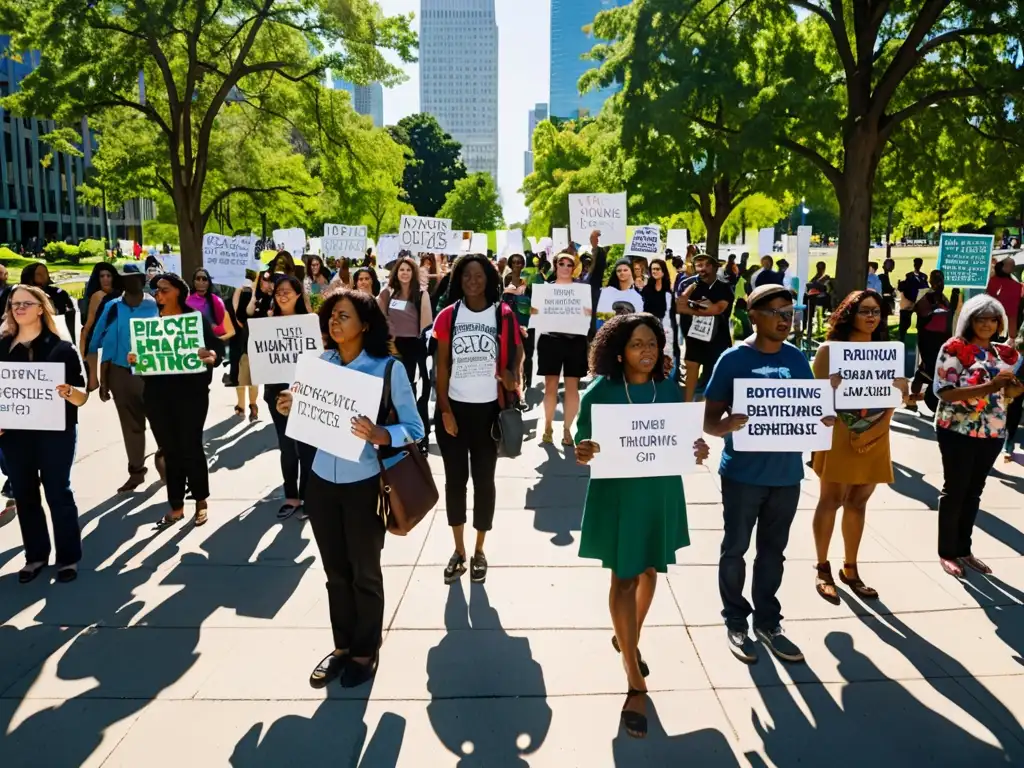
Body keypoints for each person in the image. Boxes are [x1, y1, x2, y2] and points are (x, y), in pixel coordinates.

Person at [277, 289, 424, 689]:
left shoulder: (387, 369)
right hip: (321, 481)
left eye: (343, 315)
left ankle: (365, 651)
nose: (334, 322)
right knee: (334, 572)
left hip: (364, 485)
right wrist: (290, 402)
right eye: (330, 316)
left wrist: (381, 433)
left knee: (364, 573)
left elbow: (414, 429)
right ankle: (341, 647)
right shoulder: (317, 365)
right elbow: (301, 407)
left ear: (364, 324)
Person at [574, 313, 708, 739]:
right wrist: (585, 449)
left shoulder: (666, 387)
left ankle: (627, 636)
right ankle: (634, 677)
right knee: (625, 577)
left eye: (652, 343)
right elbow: (582, 441)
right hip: (620, 498)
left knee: (650, 570)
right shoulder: (601, 391)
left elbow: (682, 437)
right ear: (620, 351)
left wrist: (696, 447)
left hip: (659, 493)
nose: (647, 351)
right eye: (637, 344)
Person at [704, 284, 835, 665]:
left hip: (786, 476)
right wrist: (727, 424)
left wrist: (821, 418)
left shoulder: (797, 359)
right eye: (775, 312)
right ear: (753, 316)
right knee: (736, 549)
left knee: (773, 554)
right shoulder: (732, 359)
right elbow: (710, 421)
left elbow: (808, 409)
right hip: (743, 475)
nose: (784, 319)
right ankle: (735, 621)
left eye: (789, 311)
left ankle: (768, 622)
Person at [810, 290, 907, 604]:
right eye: (864, 310)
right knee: (831, 498)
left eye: (876, 312)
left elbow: (893, 398)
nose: (871, 317)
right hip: (839, 431)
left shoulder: (886, 351)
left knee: (859, 501)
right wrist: (830, 387)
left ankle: (850, 569)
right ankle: (822, 567)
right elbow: (814, 398)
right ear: (848, 313)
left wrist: (900, 392)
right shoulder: (830, 350)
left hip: (878, 432)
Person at [433, 254, 523, 585]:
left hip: (489, 413)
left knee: (484, 483)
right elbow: (441, 367)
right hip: (454, 411)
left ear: (489, 278)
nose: (473, 281)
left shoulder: (503, 314)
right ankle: (458, 550)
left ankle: (479, 550)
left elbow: (517, 350)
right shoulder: (447, 316)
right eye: (467, 275)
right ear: (459, 279)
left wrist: (513, 373)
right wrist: (444, 410)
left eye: (479, 275)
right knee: (455, 483)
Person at [0, 285, 89, 583]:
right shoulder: (2, 347)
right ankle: (36, 556)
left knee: (58, 492)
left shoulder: (61, 348)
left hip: (56, 433)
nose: (19, 308)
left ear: (41, 308)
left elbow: (83, 395)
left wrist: (70, 392)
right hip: (14, 435)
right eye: (14, 304)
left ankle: (68, 558)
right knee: (24, 494)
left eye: (26, 303)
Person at [933, 294, 1023, 577]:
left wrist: (1013, 388)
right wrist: (990, 386)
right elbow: (944, 391)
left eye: (992, 319)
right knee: (955, 490)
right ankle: (947, 552)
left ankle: (964, 549)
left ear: (1000, 323)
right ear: (969, 320)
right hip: (956, 429)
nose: (986, 324)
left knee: (974, 492)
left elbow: (1005, 393)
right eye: (980, 318)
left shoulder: (1004, 354)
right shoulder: (954, 348)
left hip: (993, 430)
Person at [128, 273, 222, 529]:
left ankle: (201, 501)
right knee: (170, 451)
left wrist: (210, 356)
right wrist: (135, 360)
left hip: (191, 395)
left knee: (191, 447)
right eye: (156, 290)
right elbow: (142, 365)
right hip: (158, 397)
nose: (158, 294)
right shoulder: (150, 326)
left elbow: (217, 351)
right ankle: (176, 506)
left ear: (179, 292)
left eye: (164, 289)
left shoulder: (195, 321)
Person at [88, 264, 162, 491]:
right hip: (122, 374)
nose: (131, 282)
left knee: (162, 423)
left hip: (155, 374)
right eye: (126, 279)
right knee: (131, 426)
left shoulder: (156, 304)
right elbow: (99, 343)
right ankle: (136, 471)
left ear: (143, 280)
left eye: (135, 278)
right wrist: (101, 379)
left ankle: (169, 467)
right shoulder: (112, 308)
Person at [263, 275, 317, 520]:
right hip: (275, 392)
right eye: (278, 292)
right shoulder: (267, 323)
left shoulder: (310, 322)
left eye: (287, 291)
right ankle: (291, 495)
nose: (282, 295)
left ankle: (308, 496)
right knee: (287, 446)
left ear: (298, 294)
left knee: (306, 446)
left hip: (304, 392)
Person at [378, 257, 433, 448]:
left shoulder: (421, 294)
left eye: (408, 270)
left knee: (415, 393)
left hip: (414, 347)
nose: (404, 273)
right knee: (395, 393)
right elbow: (379, 314)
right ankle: (397, 436)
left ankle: (421, 436)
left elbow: (427, 324)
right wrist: (389, 339)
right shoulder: (389, 293)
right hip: (393, 347)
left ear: (413, 273)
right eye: (401, 270)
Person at [536, 251, 590, 445]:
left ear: (574, 267)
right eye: (562, 263)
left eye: (569, 264)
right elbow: (536, 313)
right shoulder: (545, 289)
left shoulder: (582, 290)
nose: (565, 267)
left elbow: (588, 315)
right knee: (550, 385)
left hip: (575, 342)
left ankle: (567, 429)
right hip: (550, 341)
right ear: (555, 265)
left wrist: (585, 312)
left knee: (571, 388)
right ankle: (548, 426)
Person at [676, 253, 734, 402]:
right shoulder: (689, 284)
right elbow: (680, 306)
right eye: (699, 265)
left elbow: (716, 309)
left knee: (715, 374)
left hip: (717, 338)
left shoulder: (724, 287)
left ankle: (712, 407)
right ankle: (687, 406)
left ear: (715, 267)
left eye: (707, 265)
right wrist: (699, 306)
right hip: (695, 335)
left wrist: (697, 308)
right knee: (691, 369)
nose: (703, 269)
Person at [908, 270, 952, 412]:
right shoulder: (926, 296)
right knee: (927, 366)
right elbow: (922, 312)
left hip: (942, 338)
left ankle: (924, 393)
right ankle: (913, 398)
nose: (940, 283)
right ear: (932, 282)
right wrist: (934, 308)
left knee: (937, 365)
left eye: (942, 280)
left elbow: (950, 315)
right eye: (937, 280)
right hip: (928, 338)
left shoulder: (944, 298)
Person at [503, 252, 542, 391]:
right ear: (510, 265)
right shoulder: (504, 281)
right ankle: (515, 382)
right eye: (514, 262)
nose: (517, 265)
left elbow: (538, 300)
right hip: (510, 324)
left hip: (527, 323)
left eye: (519, 262)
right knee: (512, 354)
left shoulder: (530, 280)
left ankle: (527, 382)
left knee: (528, 353)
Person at [229, 277, 259, 422]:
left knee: (252, 376)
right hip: (240, 340)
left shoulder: (257, 294)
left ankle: (251, 405)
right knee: (240, 375)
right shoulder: (239, 290)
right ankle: (243, 405)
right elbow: (235, 313)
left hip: (250, 339)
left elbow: (239, 315)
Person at [79, 262, 123, 362]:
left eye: (108, 276)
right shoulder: (98, 296)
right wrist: (82, 356)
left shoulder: (120, 295)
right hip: (100, 343)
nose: (105, 279)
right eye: (102, 276)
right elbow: (87, 327)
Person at [20, 263, 76, 340]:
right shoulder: (19, 295)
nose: (44, 276)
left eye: (45, 273)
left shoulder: (59, 293)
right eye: (39, 274)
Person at [187, 268, 232, 341]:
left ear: (208, 282)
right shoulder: (186, 301)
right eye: (198, 279)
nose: (201, 282)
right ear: (194, 282)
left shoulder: (216, 301)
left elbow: (227, 327)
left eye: (204, 279)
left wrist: (215, 329)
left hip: (211, 342)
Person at [986, 256, 1022, 339]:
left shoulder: (990, 282)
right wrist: (1012, 337)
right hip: (1002, 327)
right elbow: (1013, 314)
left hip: (990, 326)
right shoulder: (1016, 286)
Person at [897, 258, 929, 341]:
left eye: (919, 264)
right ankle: (901, 339)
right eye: (916, 264)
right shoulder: (908, 276)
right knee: (904, 324)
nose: (917, 266)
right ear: (914, 264)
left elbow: (926, 288)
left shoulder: (924, 277)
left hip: (920, 302)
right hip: (909, 301)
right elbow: (902, 287)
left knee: (922, 324)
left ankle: (922, 339)